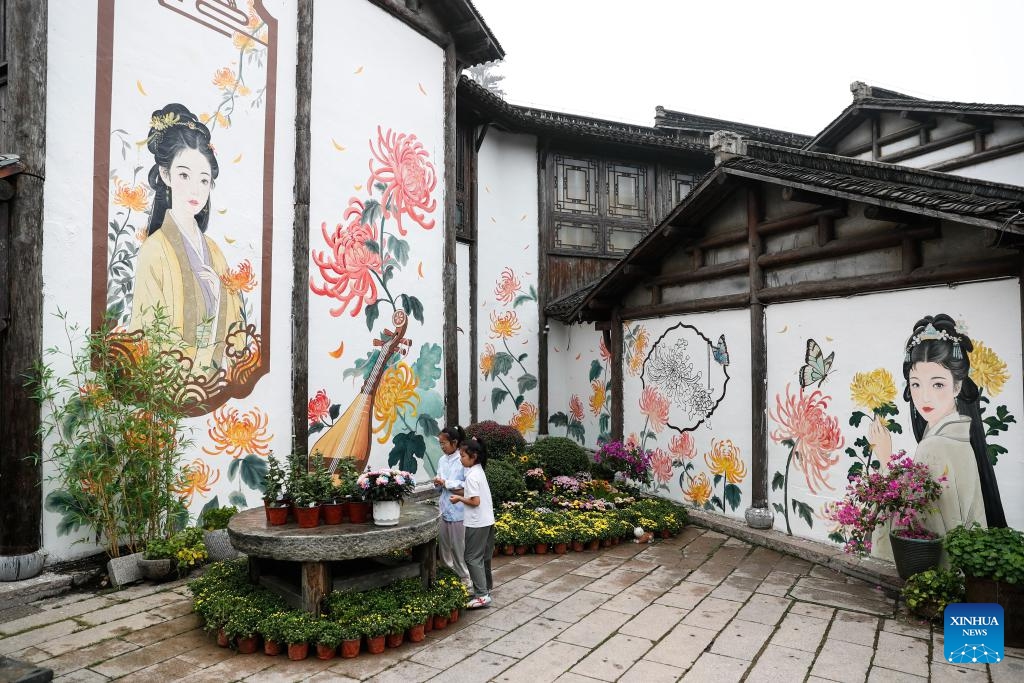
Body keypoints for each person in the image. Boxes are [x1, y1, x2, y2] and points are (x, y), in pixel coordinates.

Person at [869, 314, 1007, 562]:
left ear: (957, 386)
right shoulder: (961, 438)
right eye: (916, 385)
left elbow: (919, 527)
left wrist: (886, 461)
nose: (924, 397)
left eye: (938, 384)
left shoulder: (934, 446)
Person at [131, 102, 240, 375]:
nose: (195, 188)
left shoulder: (215, 252)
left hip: (215, 385)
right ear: (166, 175)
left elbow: (236, 334)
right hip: (171, 390)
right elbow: (147, 337)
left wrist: (220, 296)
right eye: (184, 175)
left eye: (204, 180)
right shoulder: (154, 250)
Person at [449, 436, 495, 608]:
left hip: (477, 522)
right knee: (484, 557)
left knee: (471, 557)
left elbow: (475, 501)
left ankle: (482, 595)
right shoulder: (479, 470)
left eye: (462, 456)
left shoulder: (471, 476)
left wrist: (459, 498)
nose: (460, 459)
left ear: (473, 456)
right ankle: (485, 588)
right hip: (487, 519)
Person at [433, 425, 472, 586]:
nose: (442, 447)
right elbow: (440, 481)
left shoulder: (463, 459)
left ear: (455, 442)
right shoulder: (442, 460)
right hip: (444, 508)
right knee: (444, 547)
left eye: (444, 443)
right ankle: (449, 575)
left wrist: (446, 483)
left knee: (458, 547)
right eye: (440, 443)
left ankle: (465, 578)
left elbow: (466, 487)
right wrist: (437, 482)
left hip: (459, 511)